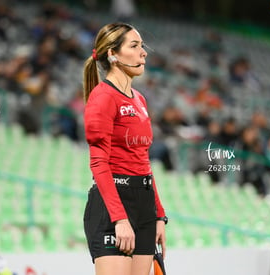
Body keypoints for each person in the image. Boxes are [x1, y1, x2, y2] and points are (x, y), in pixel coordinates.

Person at [82, 22, 167, 275]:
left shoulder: (140, 99)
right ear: (113, 54)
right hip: (114, 206)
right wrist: (119, 219)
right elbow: (98, 163)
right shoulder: (102, 96)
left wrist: (159, 215)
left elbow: (143, 161)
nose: (144, 53)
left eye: (142, 46)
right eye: (135, 46)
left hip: (144, 205)